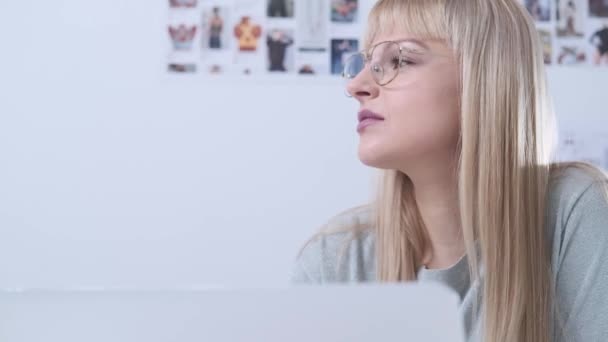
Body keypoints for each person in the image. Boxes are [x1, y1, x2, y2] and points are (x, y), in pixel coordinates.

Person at [290, 1, 608, 342]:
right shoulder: (334, 259)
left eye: (399, 60)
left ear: (484, 79)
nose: (356, 86)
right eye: (367, 63)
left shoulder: (574, 211)